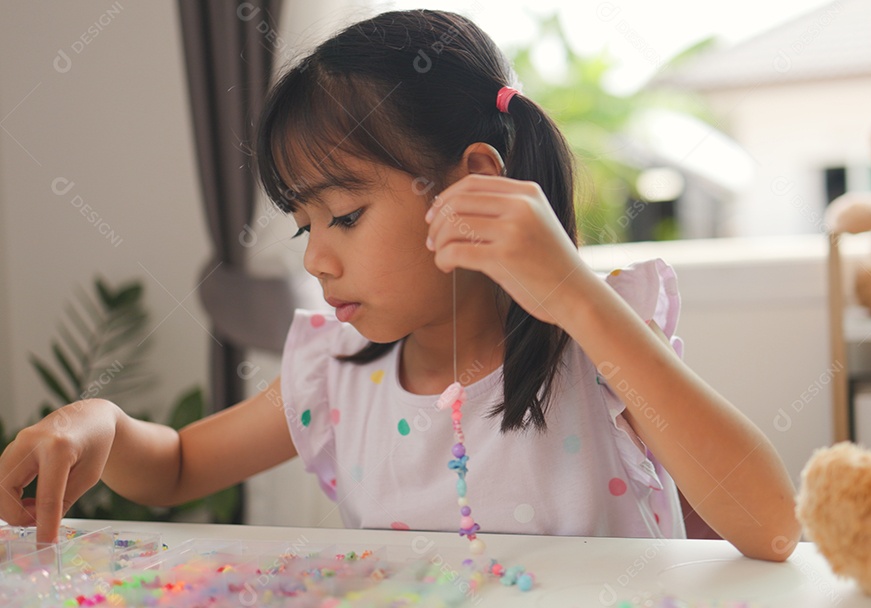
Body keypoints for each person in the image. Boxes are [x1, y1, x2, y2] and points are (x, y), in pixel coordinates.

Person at [0, 10, 799, 560]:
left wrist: (575, 299)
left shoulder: (597, 343)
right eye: (302, 225)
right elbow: (175, 466)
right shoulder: (338, 372)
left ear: (474, 184)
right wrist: (99, 425)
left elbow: (770, 528)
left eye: (343, 216)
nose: (315, 259)